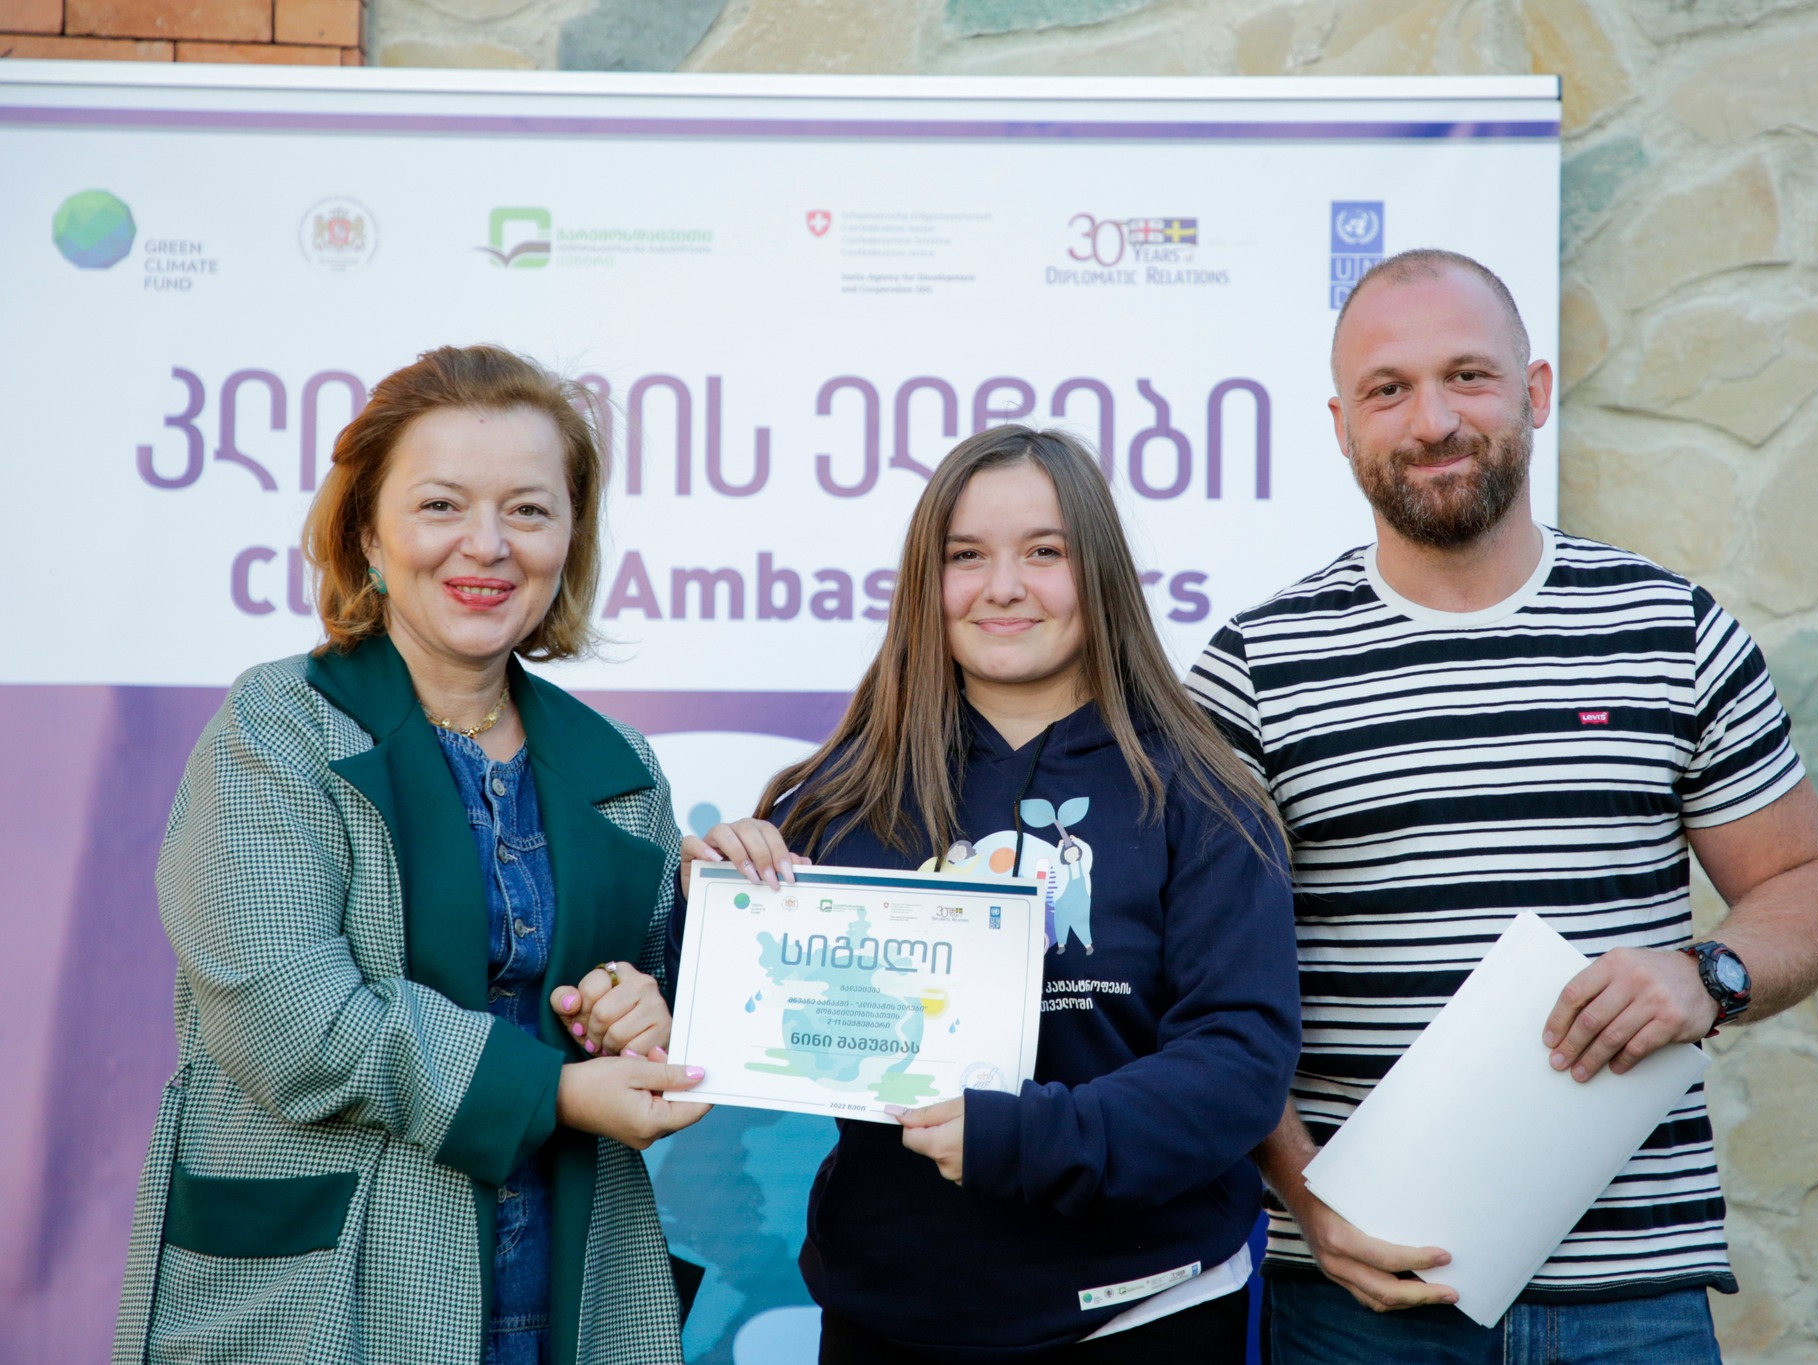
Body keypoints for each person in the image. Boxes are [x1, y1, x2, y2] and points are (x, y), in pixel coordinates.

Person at [1186, 250, 1818, 1363]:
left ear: (1534, 392)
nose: (1432, 420)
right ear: (1340, 426)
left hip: (1630, 1296)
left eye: (1469, 375)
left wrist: (1708, 974)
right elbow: (1202, 980)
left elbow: (1805, 887)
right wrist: (1305, 1199)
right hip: (1361, 1296)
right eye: (1387, 389)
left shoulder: (1670, 630)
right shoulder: (1255, 668)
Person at [114, 345, 711, 1365]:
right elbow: (290, 1018)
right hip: (330, 1299)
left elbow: (654, 1017)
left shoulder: (620, 767)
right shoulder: (277, 729)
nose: (488, 545)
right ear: (367, 534)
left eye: (528, 510)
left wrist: (662, 990)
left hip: (564, 1292)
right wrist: (556, 1092)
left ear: (569, 538)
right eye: (441, 505)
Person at [652, 425, 1300, 1361]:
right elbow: (713, 1022)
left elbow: (1238, 1064)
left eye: (1045, 552)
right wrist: (708, 914)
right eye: (967, 556)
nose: (1003, 586)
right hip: (888, 1318)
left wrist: (1023, 1138)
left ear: (1101, 574)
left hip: (1141, 1310)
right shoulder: (836, 800)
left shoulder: (1201, 798)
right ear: (929, 582)